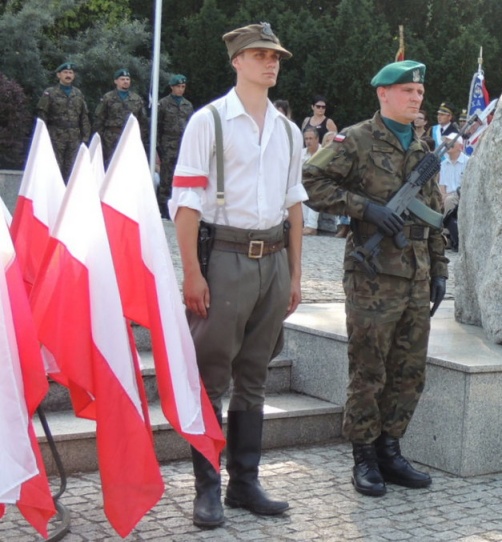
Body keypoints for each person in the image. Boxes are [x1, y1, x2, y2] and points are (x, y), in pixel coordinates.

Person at [171, 22, 305, 528]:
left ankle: (244, 483)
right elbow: (186, 202)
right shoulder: (210, 121)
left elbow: (295, 206)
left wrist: (293, 275)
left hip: (273, 259)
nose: (270, 62)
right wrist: (191, 273)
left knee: (255, 377)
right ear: (236, 61)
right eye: (259, 54)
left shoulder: (288, 130)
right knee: (211, 377)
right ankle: (206, 487)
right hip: (223, 256)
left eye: (275, 55)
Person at [302, 59, 448, 497]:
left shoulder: (424, 151)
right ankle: (364, 456)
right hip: (372, 275)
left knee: (409, 370)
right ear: (383, 94)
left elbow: (435, 216)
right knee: (369, 370)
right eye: (407, 91)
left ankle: (391, 450)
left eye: (419, 92)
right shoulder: (357, 140)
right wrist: (365, 208)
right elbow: (311, 180)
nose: (416, 98)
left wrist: (440, 269)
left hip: (416, 275)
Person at [37, 61, 91, 180]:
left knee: (72, 169)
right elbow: (42, 115)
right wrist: (43, 135)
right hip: (55, 135)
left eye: (70, 73)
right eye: (65, 72)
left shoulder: (78, 93)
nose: (68, 75)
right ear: (58, 75)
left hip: (74, 136)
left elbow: (84, 117)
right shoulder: (50, 93)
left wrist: (85, 137)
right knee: (54, 166)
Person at [156, 74, 194, 219]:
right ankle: (163, 208)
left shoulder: (187, 105)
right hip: (167, 144)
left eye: (183, 87)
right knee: (166, 177)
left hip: (182, 144)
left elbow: (191, 125)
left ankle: (179, 205)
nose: (180, 89)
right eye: (178, 86)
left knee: (181, 177)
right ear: (172, 87)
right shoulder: (163, 104)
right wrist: (158, 147)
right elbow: (158, 126)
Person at [93, 68, 148, 162]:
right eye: (122, 79)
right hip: (111, 138)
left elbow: (142, 121)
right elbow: (99, 119)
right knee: (110, 163)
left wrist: (140, 138)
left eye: (127, 79)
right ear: (116, 81)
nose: (125, 81)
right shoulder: (108, 97)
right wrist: (99, 138)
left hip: (130, 137)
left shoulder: (136, 99)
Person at [439, 135, 469, 251]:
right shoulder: (443, 164)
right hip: (447, 196)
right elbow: (442, 185)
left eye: (451, 142)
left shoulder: (468, 162)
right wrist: (441, 196)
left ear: (460, 147)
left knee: (449, 200)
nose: (448, 144)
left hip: (461, 195)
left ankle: (445, 234)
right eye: (446, 142)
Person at [301, 126, 321, 235]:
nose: (308, 141)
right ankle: (307, 224)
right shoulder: (302, 153)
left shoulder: (323, 152)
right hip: (306, 184)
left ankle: (312, 226)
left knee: (315, 190)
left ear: (317, 139)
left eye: (311, 138)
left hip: (322, 184)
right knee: (302, 190)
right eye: (306, 139)